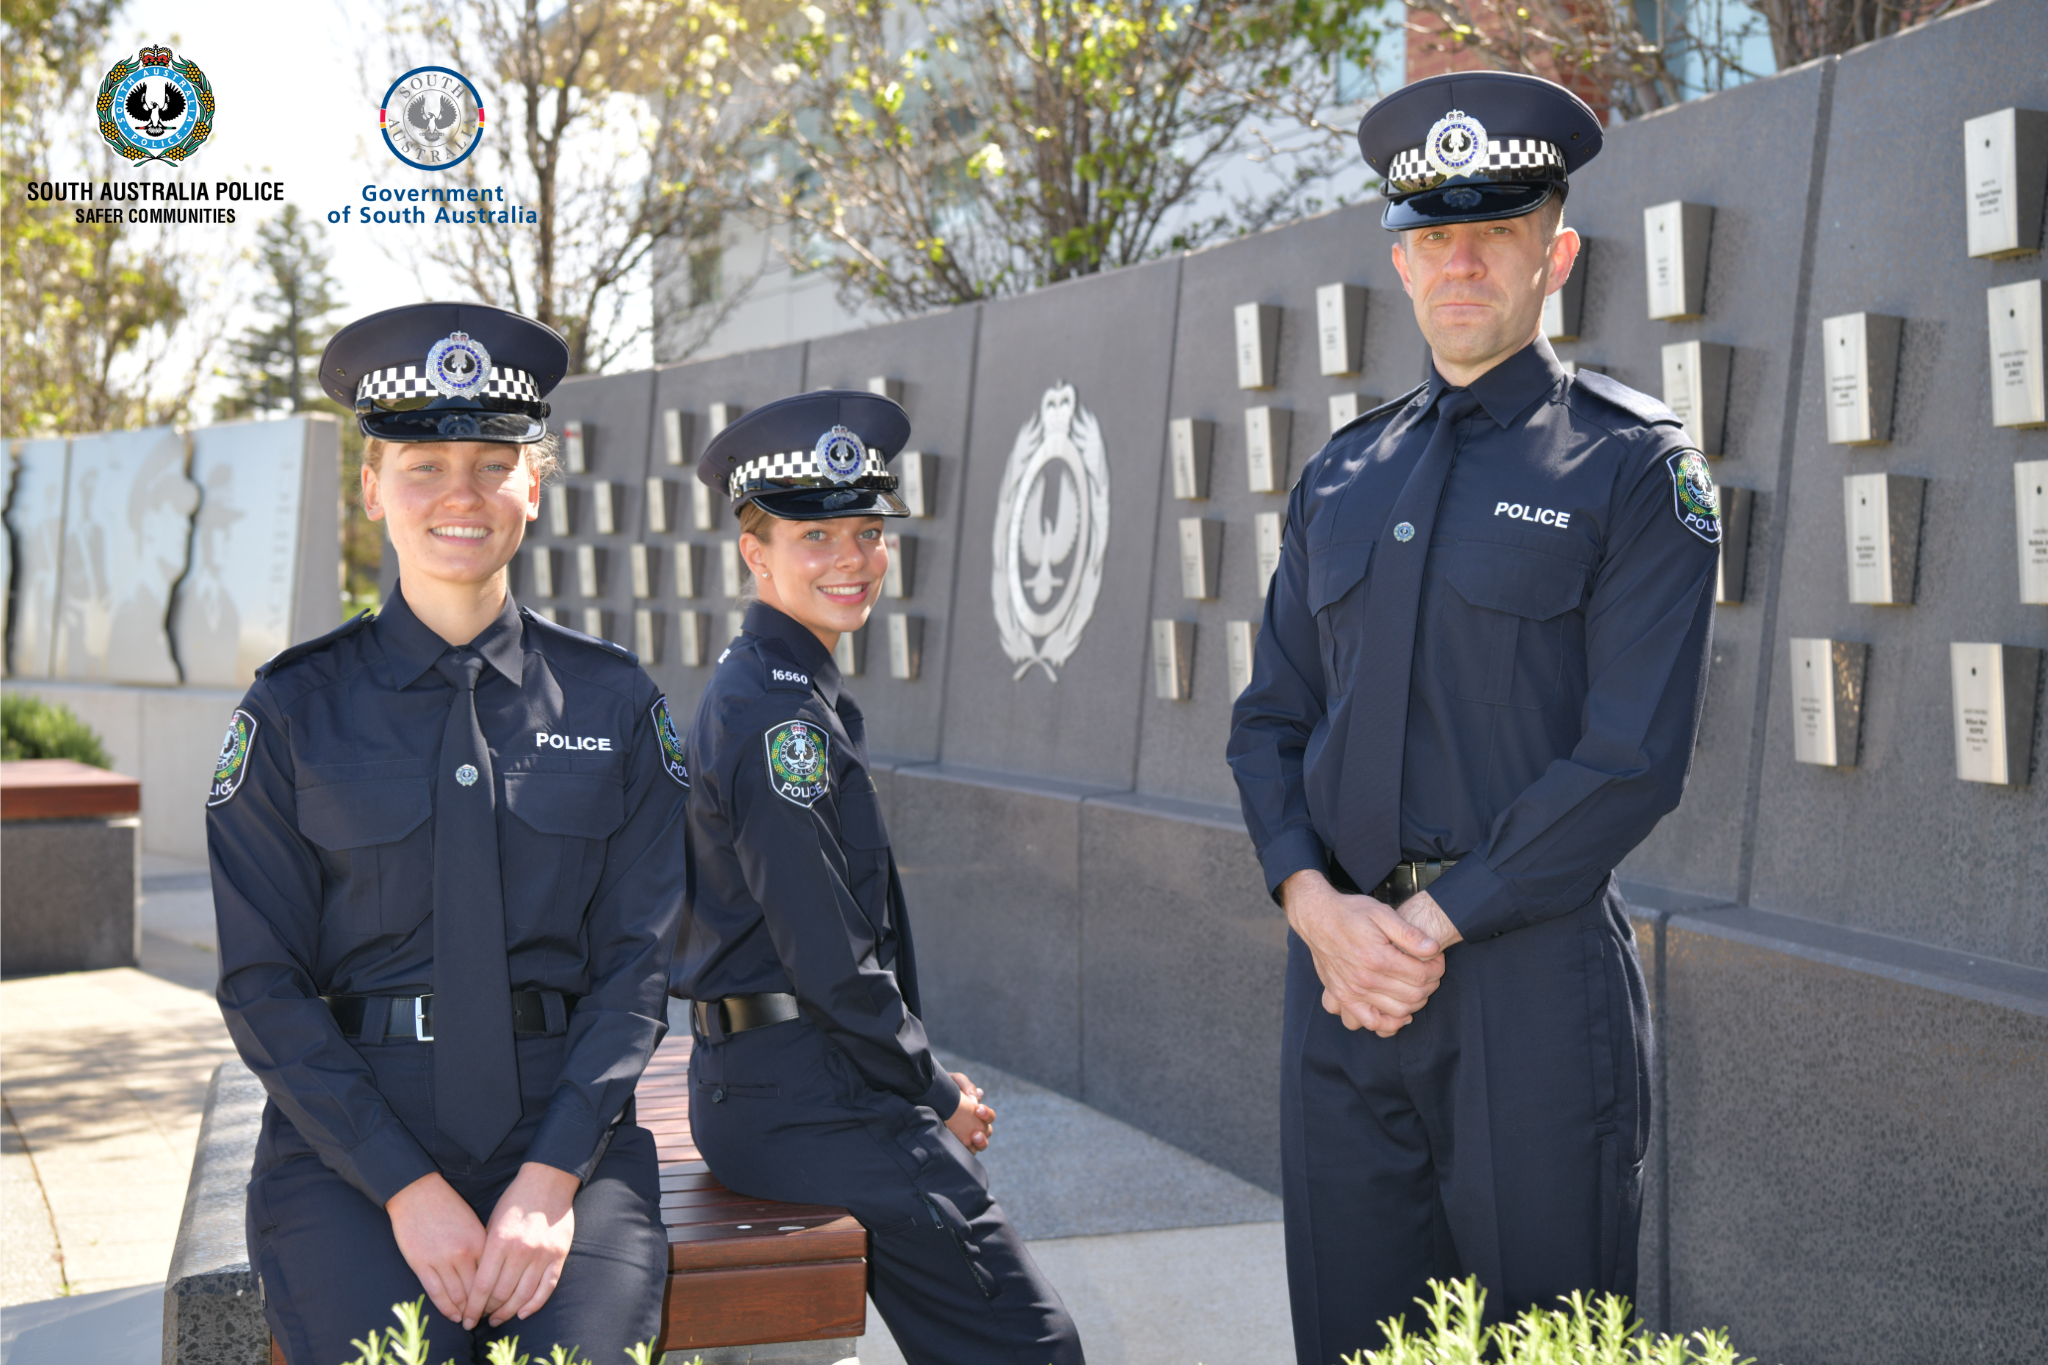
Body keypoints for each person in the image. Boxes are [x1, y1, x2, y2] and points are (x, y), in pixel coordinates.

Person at [1226, 72, 1721, 1362]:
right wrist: (1314, 909)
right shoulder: (1341, 473)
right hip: (1337, 989)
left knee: (1543, 1344)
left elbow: (1629, 763)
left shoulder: (1631, 466)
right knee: (1350, 1338)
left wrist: (1425, 926)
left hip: (1525, 983)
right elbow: (1269, 722)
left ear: (1551, 255)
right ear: (1398, 261)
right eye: (1431, 235)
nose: (1458, 262)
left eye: (1491, 233)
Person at [208, 302, 688, 1365]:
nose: (460, 494)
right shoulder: (293, 710)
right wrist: (406, 1188)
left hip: (569, 1134)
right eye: (424, 465)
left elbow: (638, 969)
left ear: (535, 481)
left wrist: (553, 1177)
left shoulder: (613, 704)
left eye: (490, 461)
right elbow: (262, 985)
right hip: (353, 1148)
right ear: (372, 488)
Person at [673, 391, 1086, 1365]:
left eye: (867, 532)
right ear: (754, 552)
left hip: (785, 1081)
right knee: (1031, 1344)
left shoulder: (773, 685)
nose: (852, 561)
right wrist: (933, 1090)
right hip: (807, 1092)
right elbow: (828, 958)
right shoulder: (778, 720)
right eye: (815, 538)